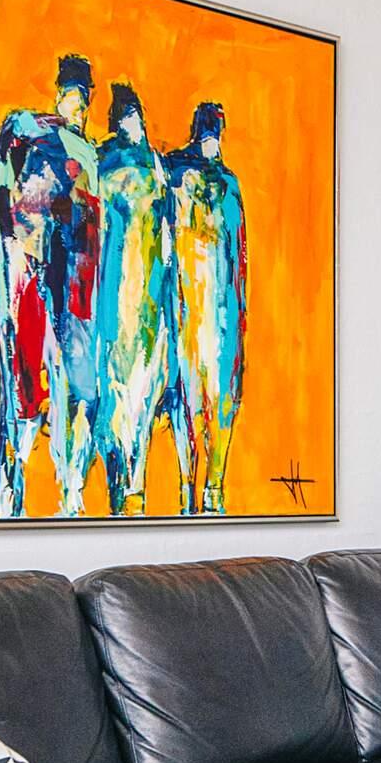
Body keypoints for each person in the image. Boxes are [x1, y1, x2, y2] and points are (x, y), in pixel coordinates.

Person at [0, 53, 102, 517]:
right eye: (73, 97)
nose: (78, 107)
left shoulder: (88, 154)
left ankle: (69, 497)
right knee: (25, 392)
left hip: (74, 292)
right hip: (32, 278)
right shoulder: (28, 131)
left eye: (83, 100)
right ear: (60, 95)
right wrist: (16, 243)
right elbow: (1, 196)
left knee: (78, 393)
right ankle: (9, 496)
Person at [92, 80, 188, 516]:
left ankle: (132, 494)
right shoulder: (111, 163)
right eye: (129, 118)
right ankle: (125, 495)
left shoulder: (151, 166)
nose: (135, 125)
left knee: (139, 396)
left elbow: (169, 241)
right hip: (118, 301)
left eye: (136, 118)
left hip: (144, 300)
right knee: (120, 399)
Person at [167, 102, 248, 516]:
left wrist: (239, 308)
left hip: (220, 310)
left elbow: (239, 256)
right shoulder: (178, 178)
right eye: (210, 134)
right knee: (186, 398)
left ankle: (213, 487)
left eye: (217, 135)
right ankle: (188, 487)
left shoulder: (228, 185)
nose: (214, 143)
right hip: (189, 306)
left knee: (219, 399)